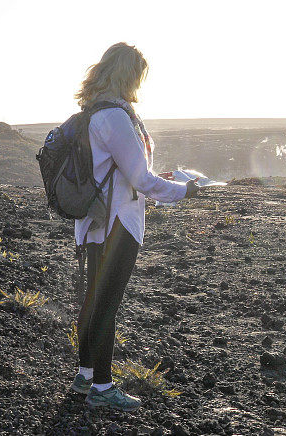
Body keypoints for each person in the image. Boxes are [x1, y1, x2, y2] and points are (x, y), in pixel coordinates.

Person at [68, 42, 199, 411]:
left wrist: (159, 179)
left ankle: (86, 375)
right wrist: (182, 191)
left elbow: (127, 172)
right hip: (117, 223)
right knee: (106, 303)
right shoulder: (114, 117)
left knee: (94, 298)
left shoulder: (94, 112)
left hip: (96, 221)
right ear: (129, 75)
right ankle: (103, 387)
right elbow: (140, 179)